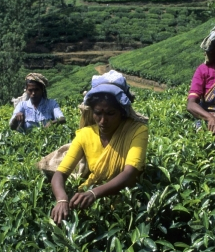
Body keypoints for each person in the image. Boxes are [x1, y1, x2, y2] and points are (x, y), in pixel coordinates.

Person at [50, 70, 149, 225]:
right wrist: (62, 200)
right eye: (98, 113)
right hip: (91, 196)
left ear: (122, 112)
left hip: (127, 202)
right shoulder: (85, 134)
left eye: (110, 114)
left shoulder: (136, 131)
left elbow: (130, 173)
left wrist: (94, 194)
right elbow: (60, 174)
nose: (103, 121)